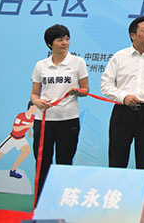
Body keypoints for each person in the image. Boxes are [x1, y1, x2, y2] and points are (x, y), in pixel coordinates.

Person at [101, 16, 144, 170]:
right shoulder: (119, 57)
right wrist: (123, 97)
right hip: (123, 112)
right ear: (133, 35)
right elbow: (106, 85)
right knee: (117, 160)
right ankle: (116, 187)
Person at [30, 24, 89, 196]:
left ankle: (63, 199)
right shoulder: (41, 65)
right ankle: (41, 201)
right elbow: (34, 94)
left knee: (65, 162)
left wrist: (77, 91)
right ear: (50, 44)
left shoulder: (78, 62)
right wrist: (38, 102)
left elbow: (85, 89)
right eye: (60, 40)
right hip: (44, 121)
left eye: (67, 39)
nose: (65, 43)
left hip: (68, 120)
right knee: (42, 162)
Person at [0, 102, 38, 179]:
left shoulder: (33, 117)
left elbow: (29, 124)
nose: (36, 109)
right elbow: (16, 128)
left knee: (27, 151)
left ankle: (12, 170)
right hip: (12, 138)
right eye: (35, 107)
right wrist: (28, 126)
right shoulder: (20, 116)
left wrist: (29, 131)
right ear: (31, 107)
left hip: (21, 138)